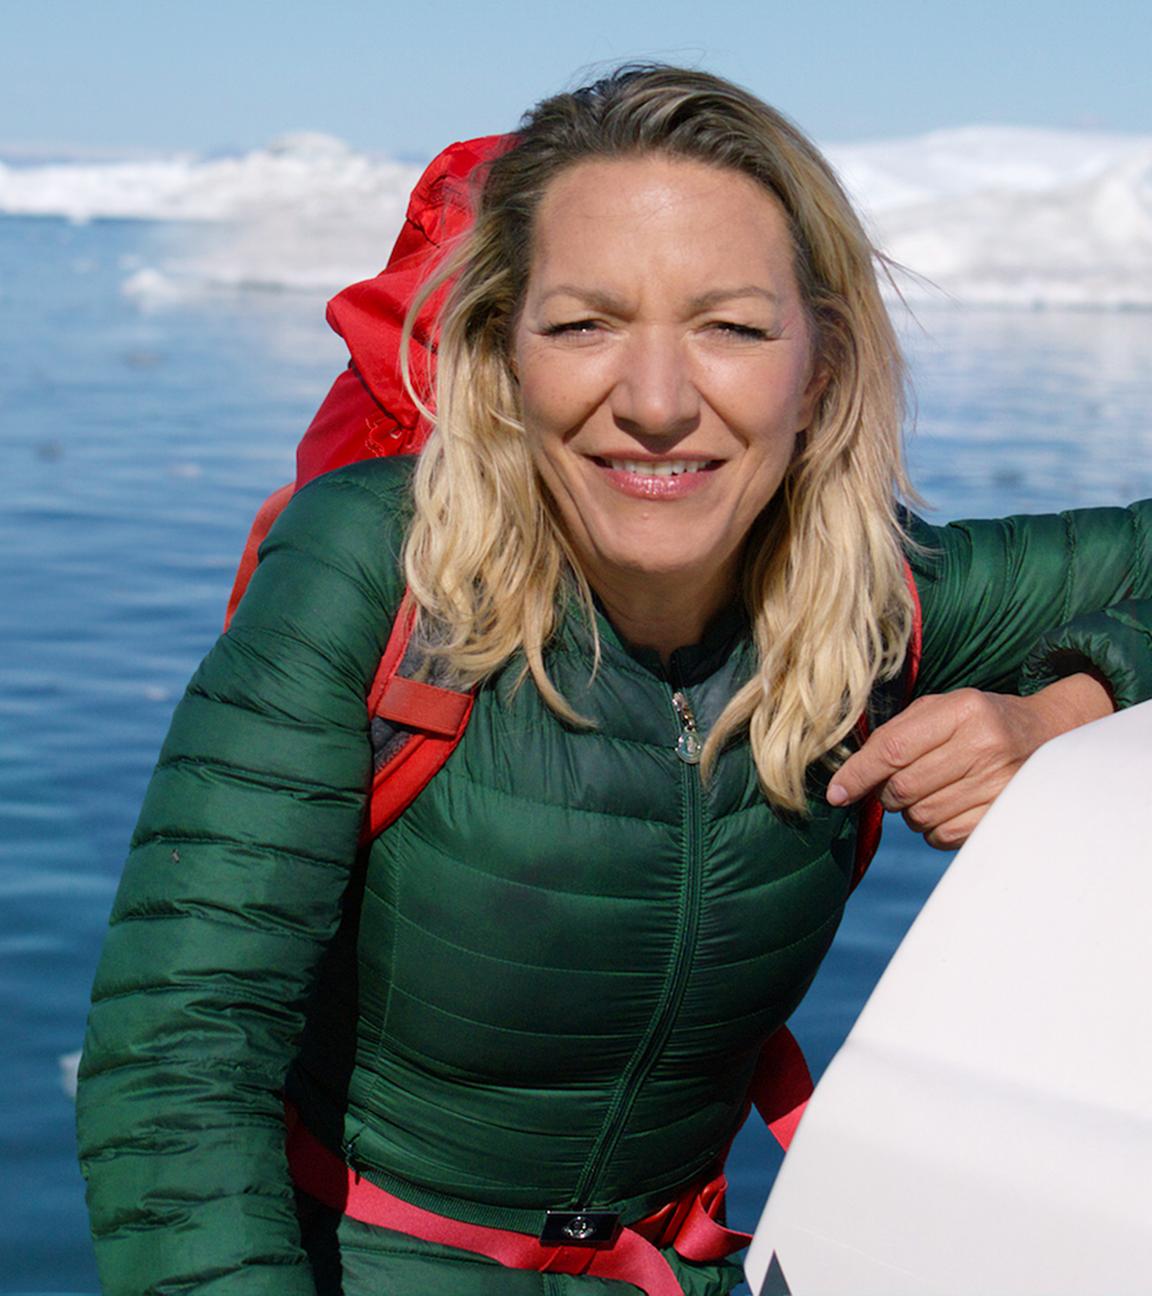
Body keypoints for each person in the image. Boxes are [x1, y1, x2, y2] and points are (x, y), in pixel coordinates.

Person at [76, 65, 1152, 1296]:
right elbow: (177, 1061)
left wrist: (1070, 698)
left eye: (732, 328)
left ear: (824, 365)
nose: (652, 403)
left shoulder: (874, 605)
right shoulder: (375, 573)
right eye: (585, 324)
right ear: (500, 350)